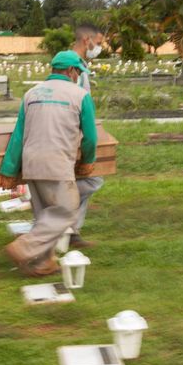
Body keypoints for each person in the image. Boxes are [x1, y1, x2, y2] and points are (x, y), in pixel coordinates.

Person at [0, 50, 98, 276]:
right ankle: (25, 246)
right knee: (66, 210)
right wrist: (88, 161)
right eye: (78, 72)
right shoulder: (80, 95)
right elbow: (90, 136)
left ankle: (44, 263)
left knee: (44, 216)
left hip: (32, 163)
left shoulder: (32, 93)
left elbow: (19, 134)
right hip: (58, 162)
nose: (78, 76)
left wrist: (8, 169)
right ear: (71, 71)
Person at [68, 23, 106, 248]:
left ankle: (71, 230)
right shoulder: (73, 67)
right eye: (98, 43)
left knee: (86, 179)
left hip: (79, 132)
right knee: (90, 179)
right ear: (87, 41)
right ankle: (63, 223)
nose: (99, 48)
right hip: (71, 134)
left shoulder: (80, 65)